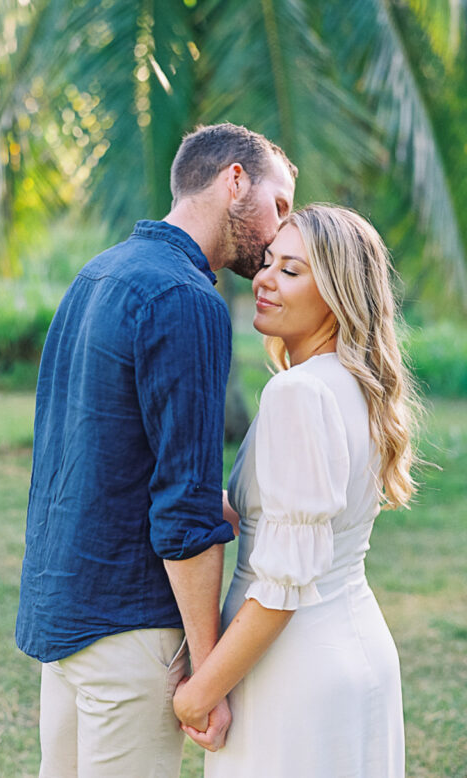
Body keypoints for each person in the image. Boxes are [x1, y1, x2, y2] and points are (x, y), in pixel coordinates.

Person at [16, 122, 297, 775]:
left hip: (61, 616)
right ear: (234, 180)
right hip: (130, 628)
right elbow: (182, 504)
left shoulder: (99, 272)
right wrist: (208, 670)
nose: (281, 228)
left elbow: (93, 454)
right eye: (278, 204)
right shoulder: (187, 297)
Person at [173, 204, 417, 776]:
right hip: (356, 648)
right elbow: (280, 519)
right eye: (268, 263)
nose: (263, 279)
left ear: (336, 292)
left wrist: (197, 693)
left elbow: (281, 585)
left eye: (291, 270)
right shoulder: (357, 387)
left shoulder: (299, 394)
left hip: (291, 669)